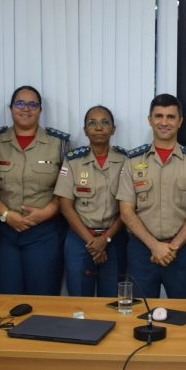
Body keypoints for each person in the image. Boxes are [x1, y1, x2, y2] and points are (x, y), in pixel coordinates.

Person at [117, 94, 186, 298]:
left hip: (181, 250)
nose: (164, 122)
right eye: (158, 116)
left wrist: (171, 247)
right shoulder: (132, 160)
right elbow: (126, 211)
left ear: (180, 121)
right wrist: (155, 246)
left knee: (185, 314)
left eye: (170, 117)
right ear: (149, 119)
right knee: (140, 315)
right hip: (141, 250)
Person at [0, 85, 70, 295]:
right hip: (3, 232)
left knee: (43, 295)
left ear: (40, 110)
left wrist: (45, 213)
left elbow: (68, 188)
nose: (26, 109)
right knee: (7, 296)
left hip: (45, 232)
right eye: (20, 103)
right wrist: (5, 215)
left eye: (32, 104)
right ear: (11, 107)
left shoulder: (59, 143)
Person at [54, 106, 128, 297]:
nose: (98, 127)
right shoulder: (73, 160)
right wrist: (93, 242)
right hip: (80, 239)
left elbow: (128, 208)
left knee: (112, 301)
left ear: (113, 129)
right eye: (92, 123)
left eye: (105, 122)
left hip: (114, 238)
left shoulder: (126, 161)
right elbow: (65, 206)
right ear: (85, 130)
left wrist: (105, 239)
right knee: (79, 300)